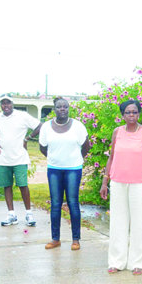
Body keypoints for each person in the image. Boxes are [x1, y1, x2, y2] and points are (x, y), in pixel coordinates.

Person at [99, 99, 142, 275]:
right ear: (122, 115)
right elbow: (111, 157)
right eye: (128, 112)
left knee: (139, 223)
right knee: (118, 222)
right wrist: (105, 182)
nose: (131, 115)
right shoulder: (117, 132)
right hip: (118, 182)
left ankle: (138, 262)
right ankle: (116, 261)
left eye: (134, 112)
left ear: (139, 113)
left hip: (140, 183)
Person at [39, 97, 90, 251]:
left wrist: (75, 159)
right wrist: (55, 158)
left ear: (68, 109)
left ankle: (76, 239)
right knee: (55, 203)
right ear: (54, 109)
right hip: (54, 169)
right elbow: (43, 147)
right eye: (59, 107)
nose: (62, 109)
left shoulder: (78, 126)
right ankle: (55, 239)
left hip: (73, 169)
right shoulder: (46, 127)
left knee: (73, 203)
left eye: (65, 107)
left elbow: (86, 146)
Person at [0, 95, 42, 227]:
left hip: (20, 158)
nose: (6, 106)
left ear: (13, 104)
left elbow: (39, 126)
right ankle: (11, 215)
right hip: (3, 159)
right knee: (7, 186)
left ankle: (29, 214)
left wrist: (27, 138)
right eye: (3, 104)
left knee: (23, 185)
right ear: (1, 105)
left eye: (8, 103)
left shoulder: (22, 116)